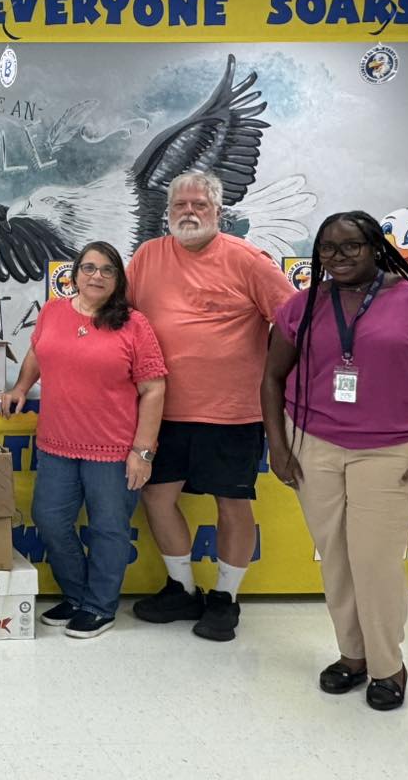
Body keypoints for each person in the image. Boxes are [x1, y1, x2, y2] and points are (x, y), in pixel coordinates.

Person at [261, 211, 408, 711]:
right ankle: (352, 656)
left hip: (393, 449)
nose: (338, 257)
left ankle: (387, 664)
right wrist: (280, 446)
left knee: (374, 561)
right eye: (328, 248)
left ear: (376, 246)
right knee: (335, 558)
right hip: (314, 445)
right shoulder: (301, 306)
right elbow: (271, 379)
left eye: (351, 246)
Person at [127, 170, 294, 641]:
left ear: (218, 211)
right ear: (168, 212)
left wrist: (273, 378)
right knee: (157, 499)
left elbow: (292, 319)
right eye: (180, 205)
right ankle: (182, 590)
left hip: (233, 412)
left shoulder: (249, 260)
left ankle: (225, 598)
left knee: (233, 505)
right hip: (163, 410)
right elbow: (126, 321)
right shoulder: (147, 256)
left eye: (199, 204)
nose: (189, 212)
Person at [0, 241, 167, 639]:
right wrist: (22, 387)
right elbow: (38, 353)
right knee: (51, 520)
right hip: (57, 444)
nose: (97, 276)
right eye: (89, 268)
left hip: (112, 449)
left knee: (109, 528)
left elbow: (154, 389)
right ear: (74, 274)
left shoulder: (133, 324)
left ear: (118, 279)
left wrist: (142, 451)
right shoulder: (54, 312)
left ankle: (99, 606)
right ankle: (76, 596)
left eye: (107, 270)